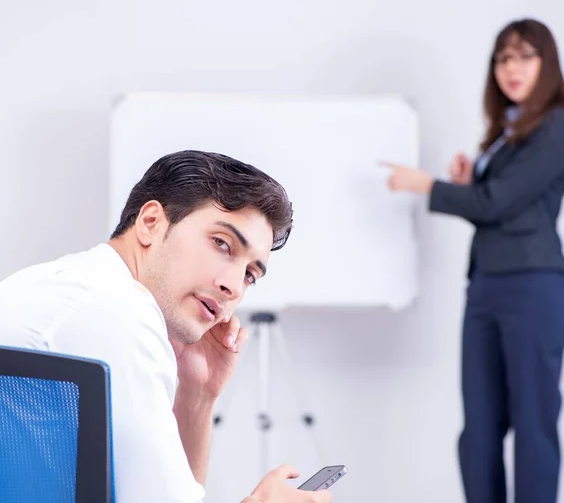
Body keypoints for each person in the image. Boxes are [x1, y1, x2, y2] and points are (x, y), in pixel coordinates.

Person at [0, 150, 333, 503]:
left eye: (250, 275)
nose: (234, 287)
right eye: (222, 244)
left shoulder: (67, 284)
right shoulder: (119, 313)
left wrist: (198, 393)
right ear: (150, 223)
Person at [381, 19, 564, 503]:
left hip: (532, 287)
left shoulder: (555, 126)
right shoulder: (507, 132)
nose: (512, 69)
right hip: (488, 287)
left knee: (533, 427)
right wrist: (471, 184)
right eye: (503, 58)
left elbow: (499, 204)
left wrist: (428, 185)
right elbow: (499, 203)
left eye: (524, 57)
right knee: (479, 431)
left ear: (547, 65)